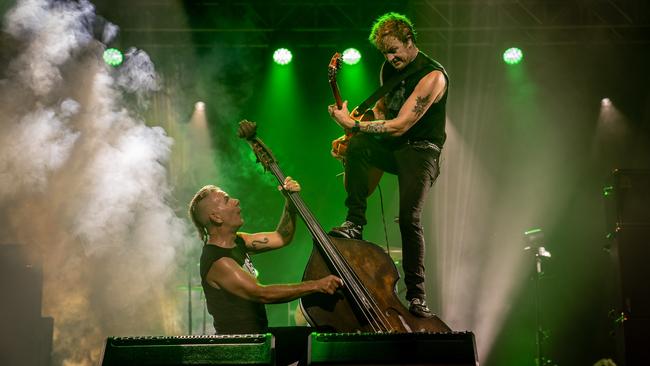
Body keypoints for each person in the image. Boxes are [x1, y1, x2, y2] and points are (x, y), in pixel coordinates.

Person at [327, 12, 448, 318]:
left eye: (395, 50)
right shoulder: (387, 70)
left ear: (410, 42)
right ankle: (355, 222)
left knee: (409, 218)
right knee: (357, 144)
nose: (390, 57)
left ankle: (417, 294)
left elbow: (402, 124)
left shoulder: (432, 76)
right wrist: (354, 135)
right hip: (395, 147)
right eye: (385, 53)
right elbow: (383, 115)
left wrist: (354, 126)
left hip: (422, 150)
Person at [188, 177, 343, 334]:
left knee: (321, 335)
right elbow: (262, 293)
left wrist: (290, 202)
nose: (236, 201)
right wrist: (316, 285)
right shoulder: (219, 261)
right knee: (319, 340)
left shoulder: (239, 241)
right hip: (244, 348)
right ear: (216, 217)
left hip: (259, 336)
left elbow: (282, 237)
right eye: (227, 200)